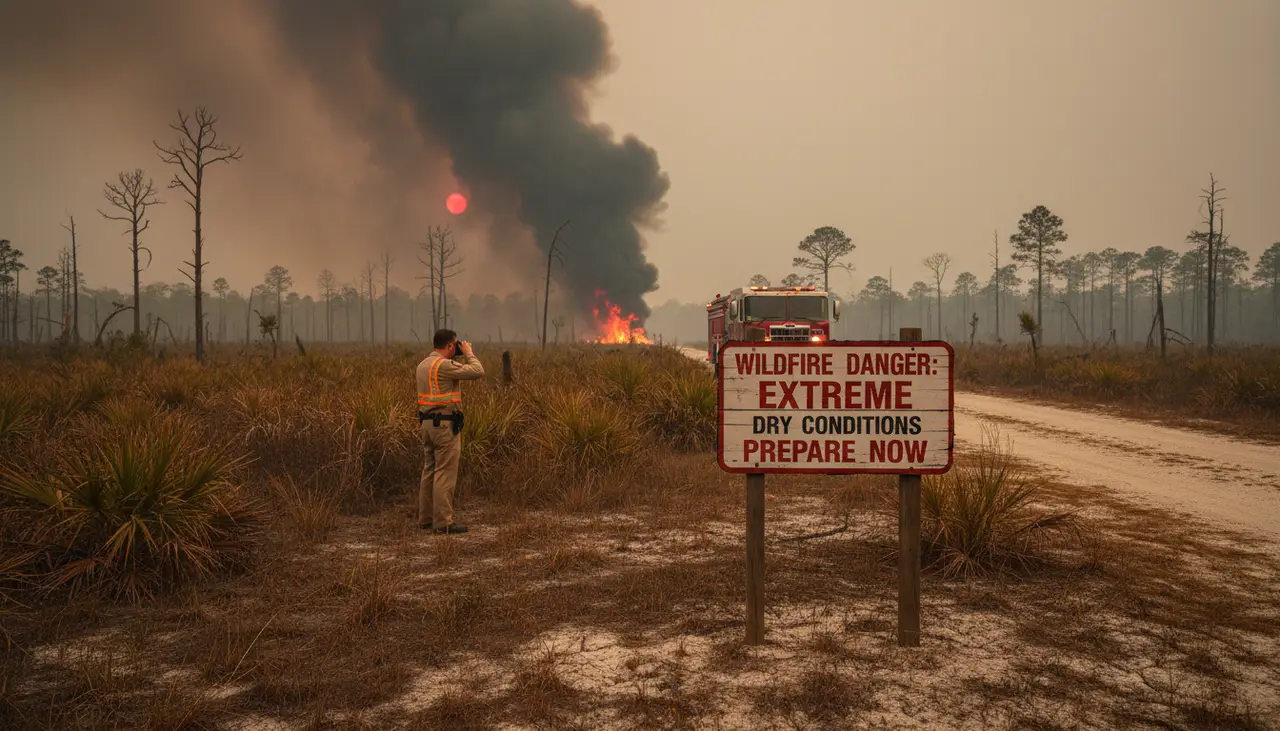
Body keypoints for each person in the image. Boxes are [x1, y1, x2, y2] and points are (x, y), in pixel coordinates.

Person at [416, 328, 485, 533]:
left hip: (427, 425)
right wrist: (469, 352)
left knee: (429, 470)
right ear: (449, 345)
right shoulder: (443, 365)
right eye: (455, 345)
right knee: (445, 473)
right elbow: (478, 371)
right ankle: (443, 523)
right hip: (445, 426)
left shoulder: (423, 365)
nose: (457, 348)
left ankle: (426, 519)